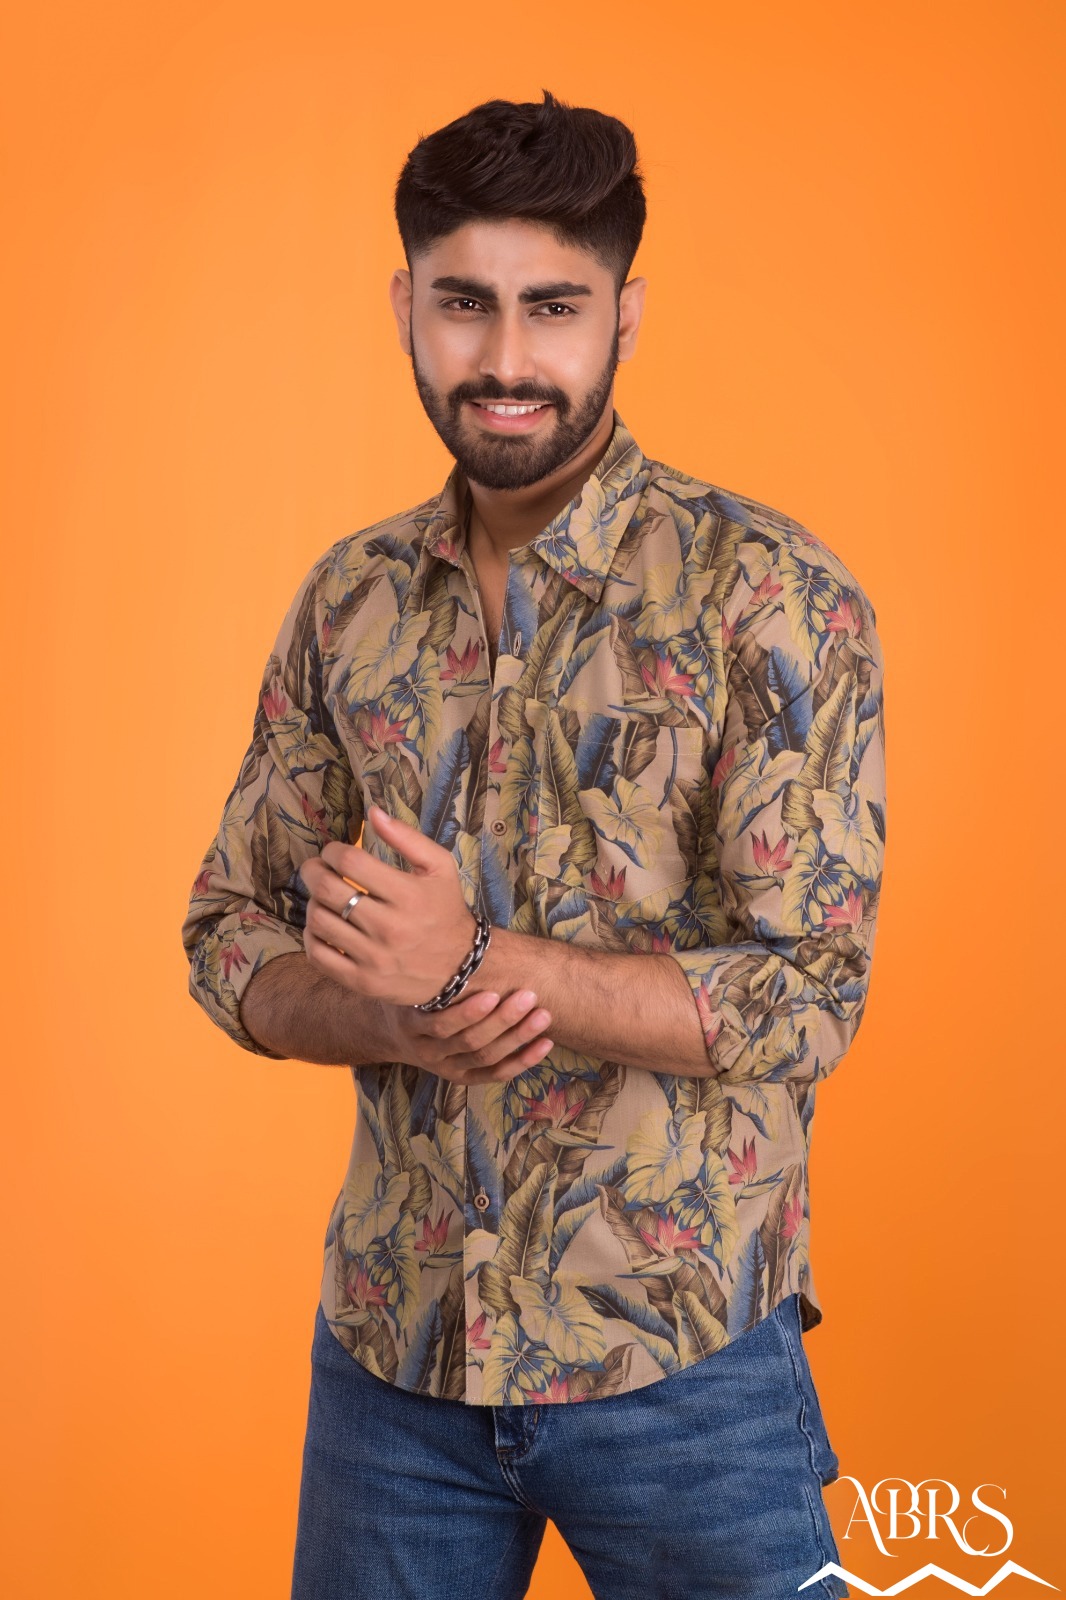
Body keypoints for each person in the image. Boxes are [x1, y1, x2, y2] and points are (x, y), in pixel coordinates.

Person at [181, 88, 885, 1600]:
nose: (506, 359)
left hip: (684, 1363)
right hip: (395, 1362)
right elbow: (227, 933)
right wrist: (383, 1016)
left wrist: (482, 963)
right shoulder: (349, 603)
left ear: (624, 314)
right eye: (466, 304)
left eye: (552, 306)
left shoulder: (769, 597)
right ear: (406, 307)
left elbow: (810, 997)